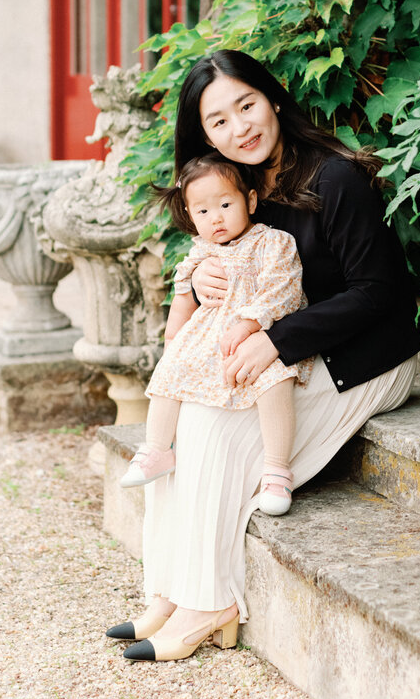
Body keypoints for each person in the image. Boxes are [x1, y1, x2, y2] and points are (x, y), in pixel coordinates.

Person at [107, 49, 420, 663]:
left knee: (214, 434)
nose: (239, 128)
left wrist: (273, 340)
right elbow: (224, 268)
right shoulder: (237, 189)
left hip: (364, 356)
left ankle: (213, 602)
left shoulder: (334, 178)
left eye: (246, 106)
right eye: (218, 121)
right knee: (185, 424)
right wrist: (205, 285)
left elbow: (380, 293)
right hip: (287, 357)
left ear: (273, 99)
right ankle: (168, 591)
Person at [119, 152, 311, 518]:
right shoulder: (199, 253)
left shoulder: (272, 243)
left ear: (250, 201)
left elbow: (283, 288)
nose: (216, 218)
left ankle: (276, 470)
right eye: (203, 212)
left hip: (262, 336)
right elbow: (181, 297)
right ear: (190, 216)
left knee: (274, 379)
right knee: (170, 373)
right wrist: (172, 341)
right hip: (207, 338)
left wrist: (247, 323)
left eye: (225, 204)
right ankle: (158, 448)